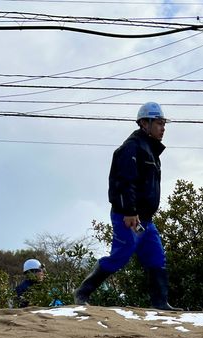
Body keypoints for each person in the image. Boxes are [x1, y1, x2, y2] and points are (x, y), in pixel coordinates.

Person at [74, 101, 180, 310]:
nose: (163, 128)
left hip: (145, 219)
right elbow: (123, 181)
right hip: (128, 216)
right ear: (144, 123)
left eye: (163, 124)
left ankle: (160, 303)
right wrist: (129, 211)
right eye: (159, 123)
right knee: (120, 256)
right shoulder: (131, 147)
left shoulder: (150, 150)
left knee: (156, 257)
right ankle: (82, 292)